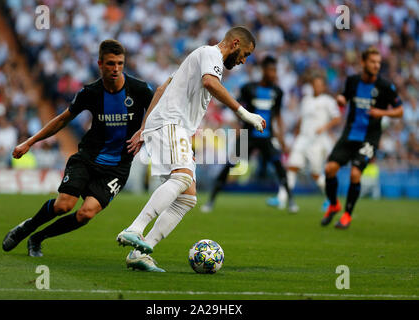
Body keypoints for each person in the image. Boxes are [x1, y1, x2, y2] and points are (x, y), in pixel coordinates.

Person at [116, 26, 266, 272]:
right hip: (171, 122)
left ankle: (139, 252)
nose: (243, 61)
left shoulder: (199, 58)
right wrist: (244, 113)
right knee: (183, 177)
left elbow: (163, 88)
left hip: (174, 126)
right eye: (245, 54)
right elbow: (210, 83)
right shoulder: (210, 54)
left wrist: (144, 127)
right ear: (236, 43)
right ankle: (134, 229)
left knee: (187, 198)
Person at [2, 40, 154, 256]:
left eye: (120, 63)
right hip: (87, 159)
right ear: (100, 63)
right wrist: (29, 142)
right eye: (111, 63)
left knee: (86, 214)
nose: (116, 69)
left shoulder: (139, 90)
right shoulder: (90, 93)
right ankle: (27, 227)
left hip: (117, 167)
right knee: (63, 206)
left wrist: (144, 129)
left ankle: (37, 239)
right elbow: (62, 120)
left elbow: (159, 108)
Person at [200, 56, 298, 213]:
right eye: (271, 70)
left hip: (267, 137)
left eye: (275, 70)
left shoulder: (277, 92)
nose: (273, 74)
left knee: (279, 167)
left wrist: (281, 137)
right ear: (263, 70)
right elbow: (236, 107)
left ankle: (291, 201)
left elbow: (277, 115)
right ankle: (211, 200)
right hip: (248, 136)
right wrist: (237, 126)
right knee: (230, 165)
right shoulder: (249, 88)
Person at [321, 46, 403, 229]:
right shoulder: (352, 81)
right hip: (349, 134)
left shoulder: (384, 86)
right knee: (329, 169)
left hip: (369, 138)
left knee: (355, 173)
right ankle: (334, 204)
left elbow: (400, 110)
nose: (376, 66)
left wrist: (381, 112)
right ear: (363, 62)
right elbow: (344, 97)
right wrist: (341, 100)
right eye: (373, 62)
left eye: (378, 63)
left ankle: (347, 215)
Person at [281, 74, 341, 211]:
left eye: (320, 85)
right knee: (292, 166)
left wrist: (324, 127)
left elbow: (337, 118)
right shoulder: (306, 100)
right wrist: (295, 135)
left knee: (315, 173)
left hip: (317, 141)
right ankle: (282, 198)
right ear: (312, 86)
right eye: (315, 84)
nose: (317, 87)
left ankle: (331, 198)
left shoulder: (328, 101)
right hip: (303, 138)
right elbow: (301, 119)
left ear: (324, 86)